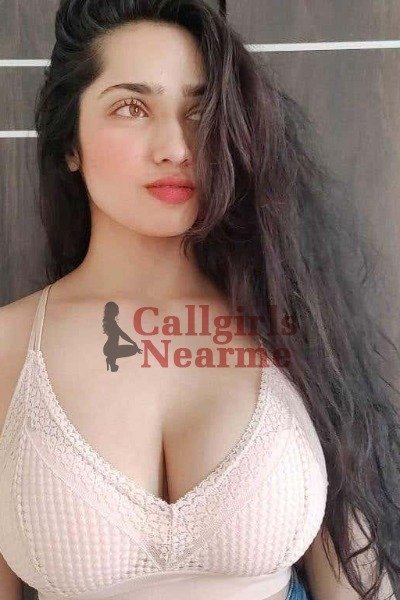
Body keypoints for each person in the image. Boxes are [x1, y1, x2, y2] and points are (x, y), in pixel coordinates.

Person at [0, 1, 399, 599]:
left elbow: (354, 574)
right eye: (131, 107)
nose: (177, 148)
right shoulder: (8, 347)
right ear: (69, 144)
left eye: (201, 112)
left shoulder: (293, 320)